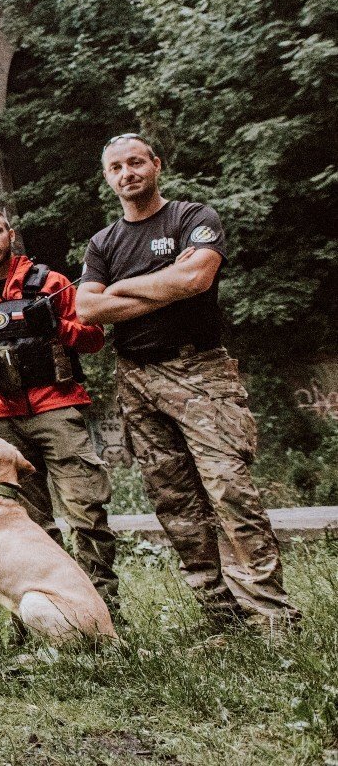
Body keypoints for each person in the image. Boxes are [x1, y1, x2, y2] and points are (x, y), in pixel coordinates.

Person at [77, 133, 299, 630]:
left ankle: (270, 617)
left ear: (156, 165)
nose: (127, 172)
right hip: (136, 380)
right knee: (174, 500)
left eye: (136, 162)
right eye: (116, 167)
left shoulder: (192, 218)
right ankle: (221, 616)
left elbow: (195, 279)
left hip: (200, 373)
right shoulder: (104, 242)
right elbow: (88, 308)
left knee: (230, 491)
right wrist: (162, 282)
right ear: (107, 177)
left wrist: (123, 288)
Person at [0, 208, 119, 607]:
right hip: (0, 422)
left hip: (56, 406)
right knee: (25, 523)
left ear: (11, 234)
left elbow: (93, 338)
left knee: (86, 510)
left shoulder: (50, 283)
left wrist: (53, 324)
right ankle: (48, 607)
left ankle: (102, 607)